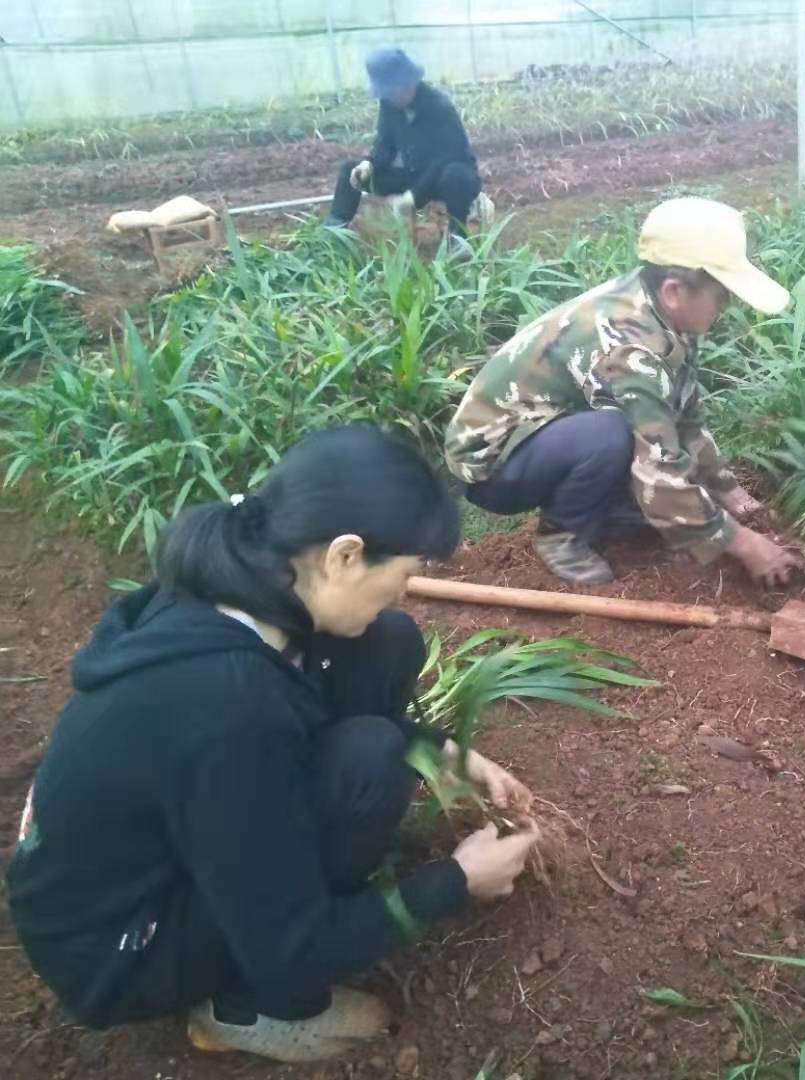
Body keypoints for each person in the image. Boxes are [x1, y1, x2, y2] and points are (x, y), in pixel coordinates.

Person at [5, 426, 539, 1063]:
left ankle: (322, 863)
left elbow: (304, 703)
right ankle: (251, 1005)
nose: (406, 590)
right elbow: (291, 940)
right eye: (403, 573)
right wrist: (453, 883)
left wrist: (439, 751)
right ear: (344, 555)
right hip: (121, 947)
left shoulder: (240, 585)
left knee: (385, 640)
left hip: (167, 837)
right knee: (369, 760)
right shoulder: (227, 706)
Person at [445, 196, 805, 587]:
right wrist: (748, 546)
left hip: (548, 434)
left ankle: (612, 509)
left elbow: (683, 415)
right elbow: (660, 475)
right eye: (721, 296)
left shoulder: (663, 313)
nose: (726, 306)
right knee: (613, 434)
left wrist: (730, 494)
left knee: (627, 430)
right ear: (674, 290)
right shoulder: (631, 348)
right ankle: (562, 536)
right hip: (495, 463)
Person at [324, 47, 484, 239]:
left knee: (455, 176)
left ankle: (458, 237)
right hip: (413, 175)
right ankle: (333, 232)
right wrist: (369, 163)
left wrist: (413, 197)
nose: (392, 98)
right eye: (387, 93)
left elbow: (445, 157)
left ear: (411, 82)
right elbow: (385, 144)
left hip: (444, 177)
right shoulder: (389, 105)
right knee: (350, 170)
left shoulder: (439, 106)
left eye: (396, 90)